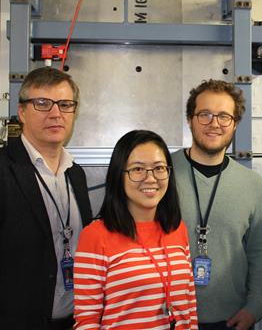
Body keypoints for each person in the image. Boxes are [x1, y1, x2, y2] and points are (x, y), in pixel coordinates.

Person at [172, 79, 262, 330]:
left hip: (231, 320)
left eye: (224, 116)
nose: (214, 124)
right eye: (205, 114)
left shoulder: (251, 184)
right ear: (190, 119)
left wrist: (255, 308)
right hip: (171, 319)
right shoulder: (162, 173)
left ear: (235, 124)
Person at [73, 130, 198, 329]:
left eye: (159, 168)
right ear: (118, 175)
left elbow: (189, 305)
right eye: (138, 169)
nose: (151, 178)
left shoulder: (176, 228)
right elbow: (86, 319)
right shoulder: (95, 235)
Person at [0, 67, 92, 330]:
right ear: (22, 112)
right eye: (42, 103)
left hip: (74, 321)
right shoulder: (4, 169)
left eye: (65, 104)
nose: (55, 113)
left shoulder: (76, 174)